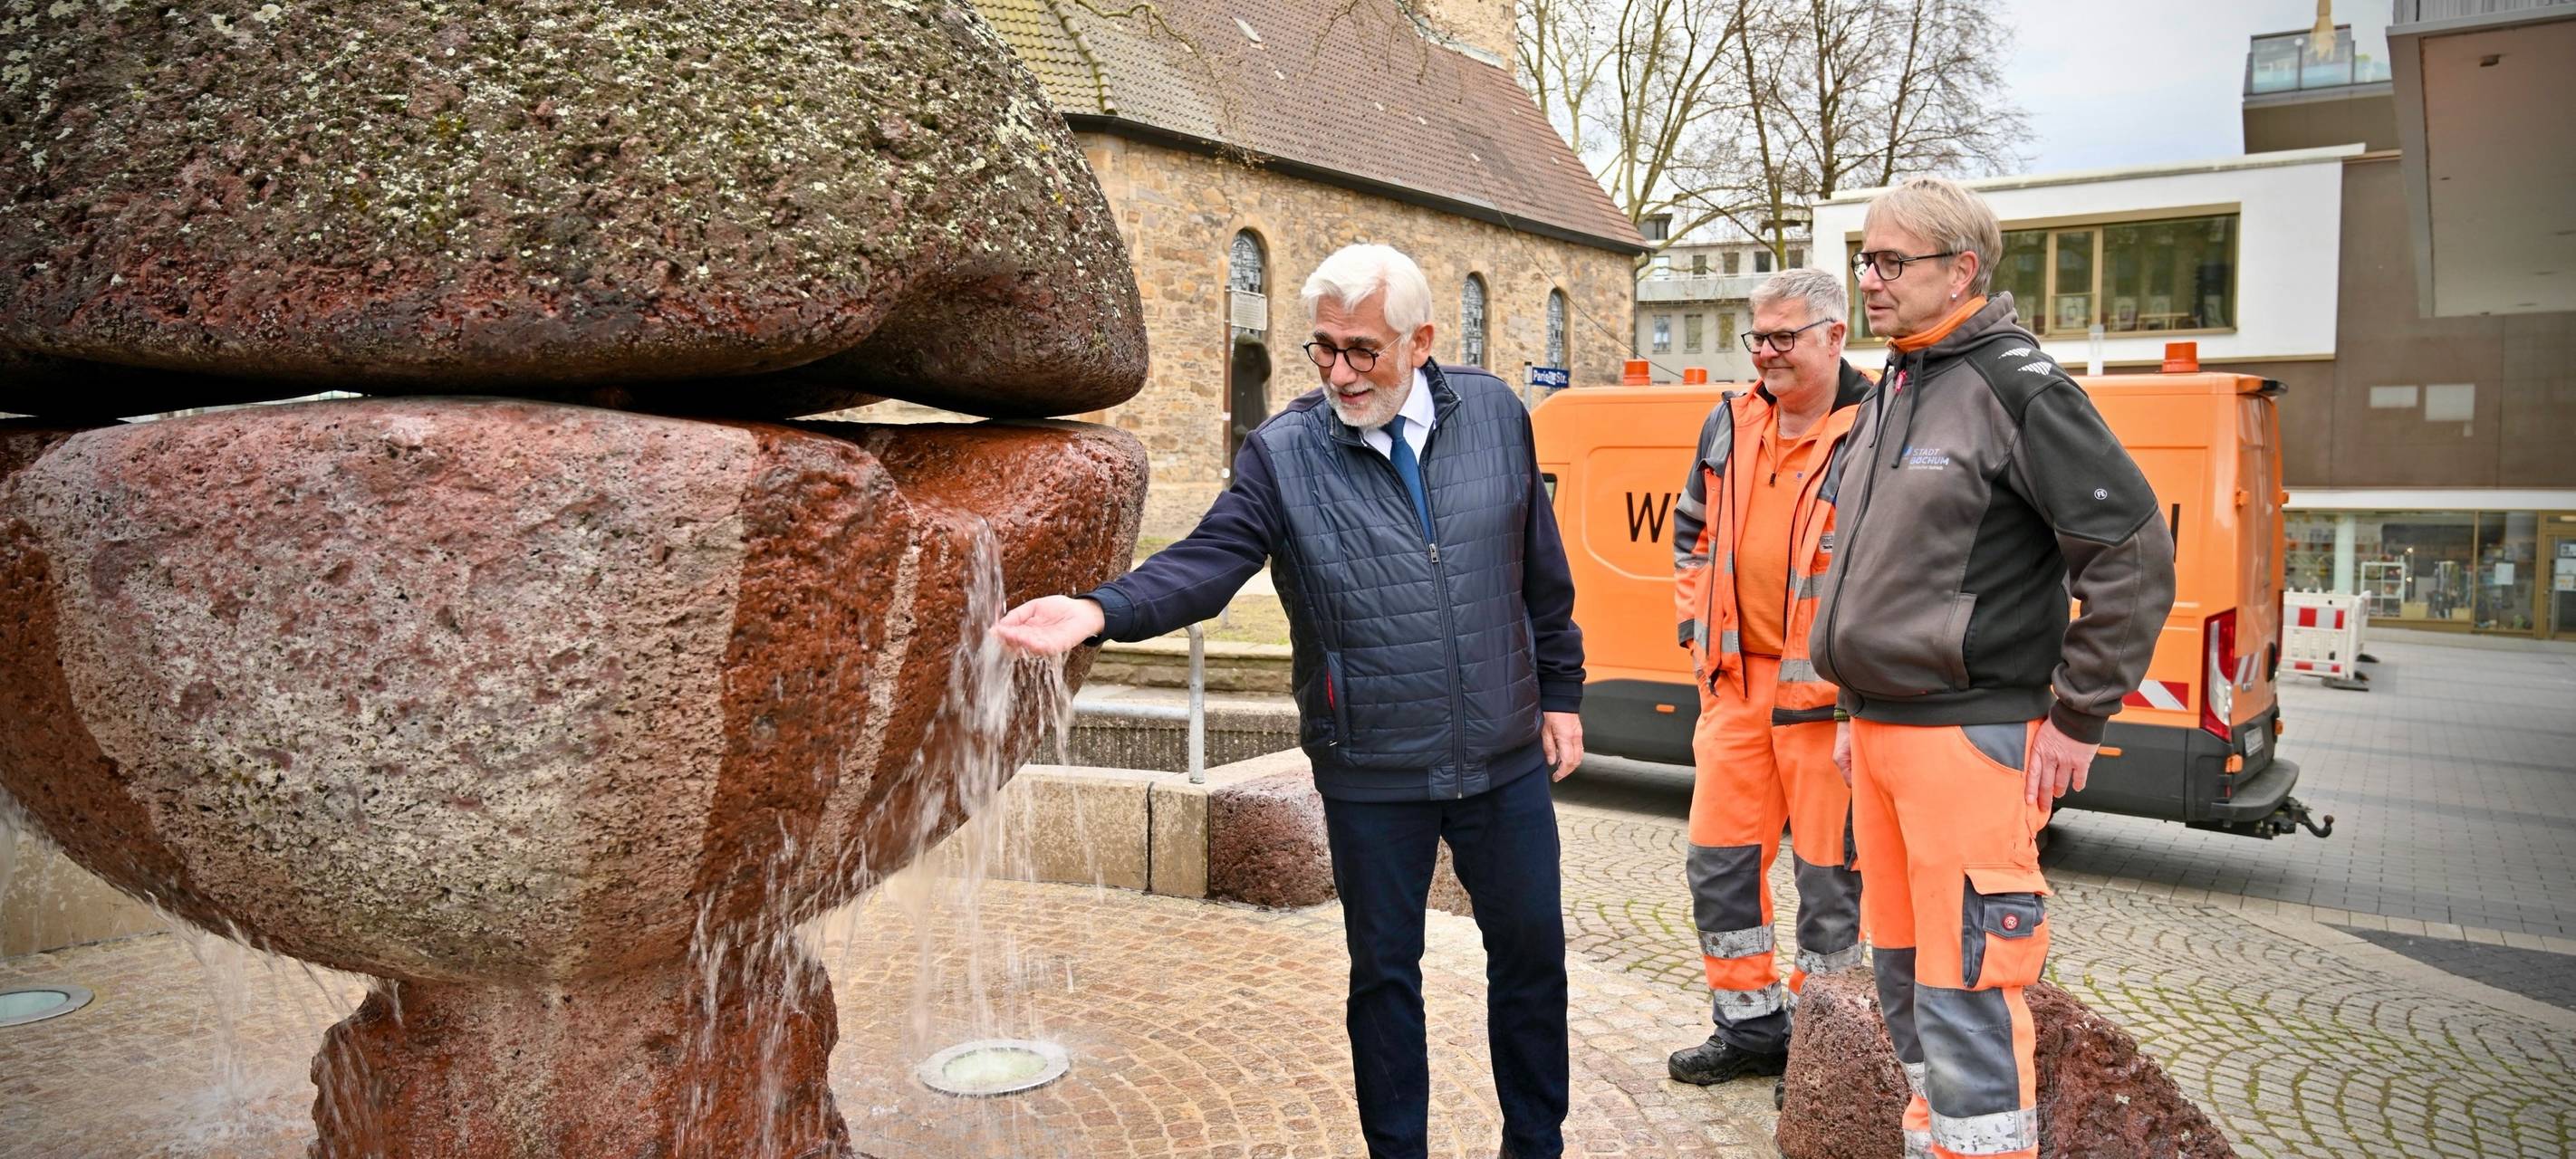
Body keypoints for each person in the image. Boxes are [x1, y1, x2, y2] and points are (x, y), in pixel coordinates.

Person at [992, 243, 1587, 1159]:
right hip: (1371, 766)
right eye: (1323, 348)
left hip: (1503, 754)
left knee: (1532, 958)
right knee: (1384, 977)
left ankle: (1536, 1142)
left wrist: (1561, 693)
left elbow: (1540, 572)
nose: (1340, 372)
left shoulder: (1499, 414)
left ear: (1421, 340)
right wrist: (1101, 607)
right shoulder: (1283, 453)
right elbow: (1206, 563)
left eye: (1363, 350)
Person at [1809, 177, 2176, 1159]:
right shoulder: (1895, 381)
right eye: (1866, 260)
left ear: (1961, 269)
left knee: (1969, 983)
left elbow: (2133, 553)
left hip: (1967, 740)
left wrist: (2077, 717)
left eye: (1891, 262)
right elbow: (1872, 574)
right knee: (1902, 972)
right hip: (1881, 736)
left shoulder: (2019, 386)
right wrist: (1850, 705)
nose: (1869, 281)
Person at [1664, 268, 1871, 1086]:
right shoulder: (1731, 419)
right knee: (1718, 868)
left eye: (1786, 337)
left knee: (1833, 891)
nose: (1768, 354)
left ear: (1834, 335)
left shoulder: (1877, 428)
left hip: (1828, 704)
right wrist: (1696, 635)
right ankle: (1750, 1028)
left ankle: (1829, 1053)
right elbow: (1692, 535)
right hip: (1737, 690)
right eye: (1759, 337)